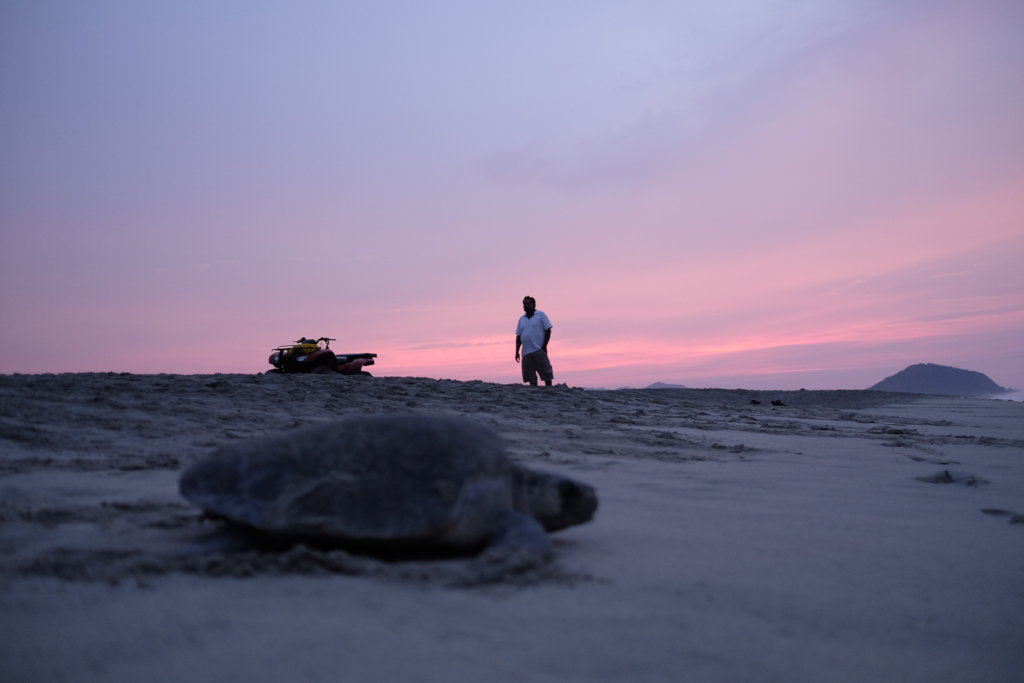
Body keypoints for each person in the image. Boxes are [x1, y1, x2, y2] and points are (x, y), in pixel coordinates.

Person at [515, 296, 554, 386]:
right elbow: (518, 336)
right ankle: (534, 397)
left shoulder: (541, 315)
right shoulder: (521, 319)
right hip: (526, 353)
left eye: (528, 303)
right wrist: (516, 351)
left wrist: (544, 346)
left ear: (534, 304)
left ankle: (550, 393)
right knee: (530, 377)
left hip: (538, 350)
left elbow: (548, 330)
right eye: (524, 304)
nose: (526, 306)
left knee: (546, 374)